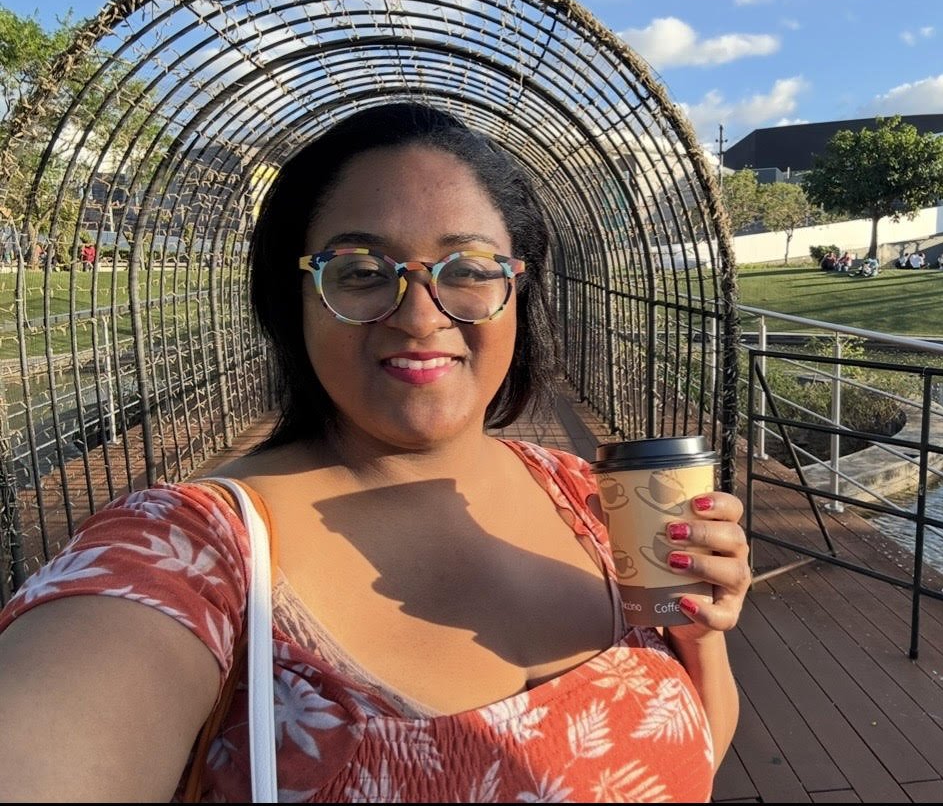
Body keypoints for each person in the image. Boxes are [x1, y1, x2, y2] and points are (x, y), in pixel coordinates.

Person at [0, 103, 751, 802]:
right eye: (361, 273)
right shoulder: (189, 553)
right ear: (292, 299)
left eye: (467, 269)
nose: (421, 315)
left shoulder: (584, 495)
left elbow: (688, 748)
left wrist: (694, 636)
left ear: (517, 290)